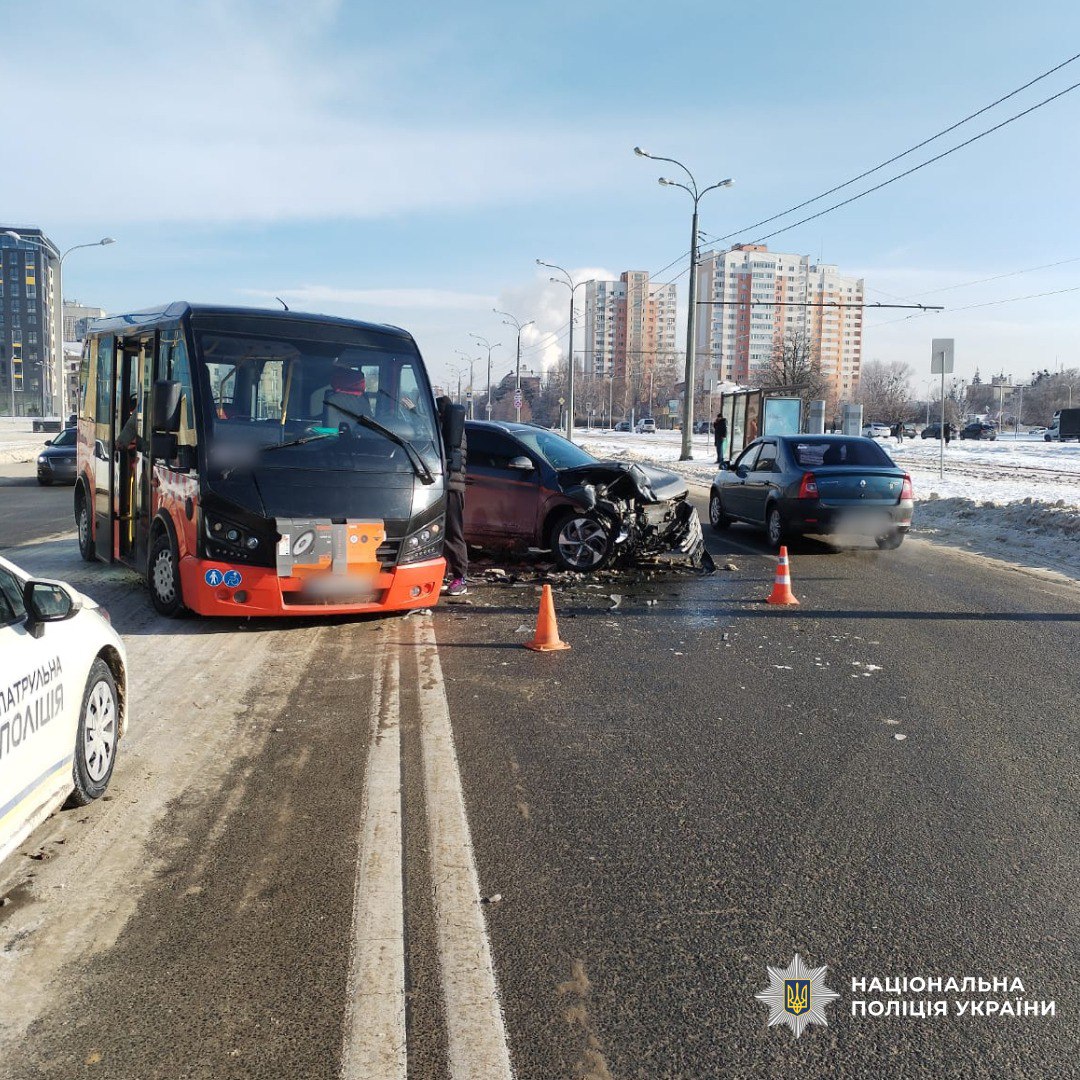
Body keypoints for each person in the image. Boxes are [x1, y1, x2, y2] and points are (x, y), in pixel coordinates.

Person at [437, 396, 468, 596]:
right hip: (443, 486)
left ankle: (460, 577)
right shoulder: (449, 429)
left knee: (452, 534)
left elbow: (449, 457)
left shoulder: (453, 432)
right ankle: (445, 574)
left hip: (451, 487)